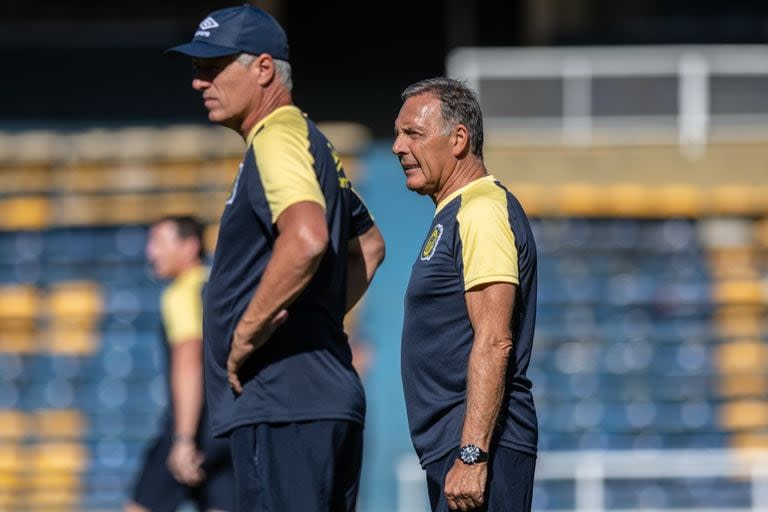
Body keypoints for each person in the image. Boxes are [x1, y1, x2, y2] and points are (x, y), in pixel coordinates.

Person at [165, 5, 386, 511]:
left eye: (212, 66)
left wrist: (250, 331)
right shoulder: (312, 143)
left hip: (283, 400)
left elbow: (306, 238)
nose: (200, 82)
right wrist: (316, 319)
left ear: (263, 69)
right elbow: (368, 246)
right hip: (318, 397)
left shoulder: (277, 136)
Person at [392, 77, 539, 512]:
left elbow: (494, 340)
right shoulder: (455, 213)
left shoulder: (481, 211)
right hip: (454, 446)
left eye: (413, 133)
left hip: (479, 447)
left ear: (459, 139)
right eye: (398, 134)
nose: (398, 146)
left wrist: (472, 453)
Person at [125, 215, 235, 512]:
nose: (151, 253)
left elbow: (189, 359)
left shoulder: (184, 292)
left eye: (159, 242)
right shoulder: (222, 289)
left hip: (193, 429)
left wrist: (183, 438)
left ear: (189, 246)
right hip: (230, 430)